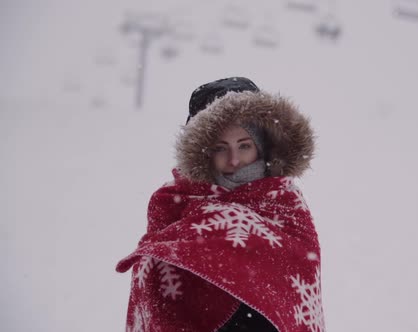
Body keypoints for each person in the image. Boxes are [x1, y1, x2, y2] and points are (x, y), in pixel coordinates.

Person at [116, 77, 326, 332]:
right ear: (203, 152)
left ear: (261, 148)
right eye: (220, 148)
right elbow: (155, 295)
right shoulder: (173, 203)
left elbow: (299, 293)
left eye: (244, 145)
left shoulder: (284, 203)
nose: (234, 159)